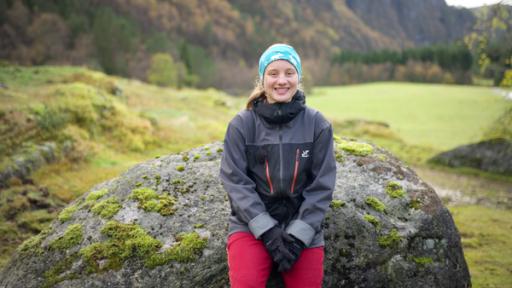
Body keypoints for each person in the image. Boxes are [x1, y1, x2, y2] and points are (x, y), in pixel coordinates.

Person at [220, 43, 337, 288]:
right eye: (273, 73)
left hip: (303, 226)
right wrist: (268, 232)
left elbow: (322, 186)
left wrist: (299, 235)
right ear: (262, 79)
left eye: (289, 73)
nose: (281, 80)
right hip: (250, 227)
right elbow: (236, 182)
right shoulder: (242, 125)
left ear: (298, 77)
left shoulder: (318, 125)